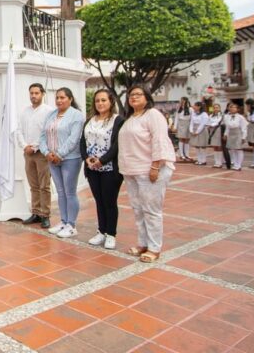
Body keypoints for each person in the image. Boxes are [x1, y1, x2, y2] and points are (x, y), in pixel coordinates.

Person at [118, 85, 175, 263]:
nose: (133, 97)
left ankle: (154, 248)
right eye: (131, 95)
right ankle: (143, 243)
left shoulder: (153, 115)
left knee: (151, 210)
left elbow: (159, 140)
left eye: (138, 94)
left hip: (150, 170)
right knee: (138, 210)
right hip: (132, 170)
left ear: (147, 97)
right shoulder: (130, 118)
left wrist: (155, 166)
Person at [80, 89, 124, 250]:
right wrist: (86, 158)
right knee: (99, 201)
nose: (100, 103)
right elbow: (82, 142)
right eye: (97, 100)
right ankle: (101, 231)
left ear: (111, 102)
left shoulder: (118, 120)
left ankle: (111, 234)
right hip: (92, 168)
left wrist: (102, 160)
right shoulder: (89, 121)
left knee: (109, 201)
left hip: (110, 169)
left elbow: (117, 145)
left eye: (104, 100)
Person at [39, 87, 85, 238]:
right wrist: (47, 153)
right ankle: (63, 221)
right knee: (60, 192)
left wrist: (59, 154)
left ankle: (71, 225)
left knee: (70, 192)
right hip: (52, 158)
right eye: (57, 97)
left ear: (70, 99)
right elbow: (42, 136)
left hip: (70, 158)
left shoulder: (76, 115)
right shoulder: (51, 114)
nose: (59, 100)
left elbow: (74, 139)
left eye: (62, 97)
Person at [16, 83, 54, 229]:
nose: (33, 96)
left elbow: (47, 132)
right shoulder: (25, 111)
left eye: (36, 93)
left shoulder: (49, 111)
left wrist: (35, 146)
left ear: (42, 94)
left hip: (42, 153)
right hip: (28, 153)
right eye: (31, 93)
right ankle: (36, 212)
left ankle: (45, 215)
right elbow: (19, 130)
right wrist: (25, 146)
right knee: (33, 185)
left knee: (44, 185)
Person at [223, 102, 248, 171]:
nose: (232, 108)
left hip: (238, 133)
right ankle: (235, 164)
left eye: (234, 107)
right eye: (231, 107)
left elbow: (244, 128)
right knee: (232, 149)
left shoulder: (240, 117)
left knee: (238, 149)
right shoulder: (227, 117)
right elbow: (227, 127)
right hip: (231, 134)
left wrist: (243, 137)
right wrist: (225, 134)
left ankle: (239, 165)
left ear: (237, 109)